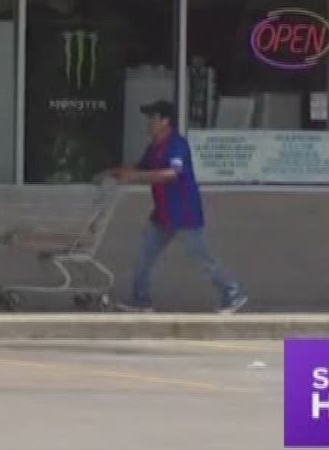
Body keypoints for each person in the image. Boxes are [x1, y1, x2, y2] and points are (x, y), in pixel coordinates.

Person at [106, 99, 247, 313]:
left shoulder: (176, 145)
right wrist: (116, 172)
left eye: (153, 118)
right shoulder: (154, 147)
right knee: (143, 257)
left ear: (165, 121)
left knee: (203, 259)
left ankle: (232, 293)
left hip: (183, 214)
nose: (149, 123)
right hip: (162, 215)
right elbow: (139, 168)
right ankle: (140, 299)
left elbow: (171, 174)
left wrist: (134, 176)